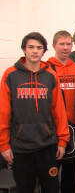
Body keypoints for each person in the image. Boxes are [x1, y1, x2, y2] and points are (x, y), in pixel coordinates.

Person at [0, 32, 69, 193]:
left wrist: (62, 141)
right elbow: (3, 112)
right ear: (24, 49)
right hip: (20, 146)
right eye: (31, 47)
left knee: (51, 189)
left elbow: (59, 111)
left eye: (39, 48)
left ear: (44, 51)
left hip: (47, 145)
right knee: (25, 189)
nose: (35, 51)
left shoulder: (51, 75)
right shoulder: (10, 75)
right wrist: (3, 144)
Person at [47, 30, 75, 193]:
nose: (65, 47)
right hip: (50, 131)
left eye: (68, 44)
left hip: (72, 130)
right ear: (54, 45)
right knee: (50, 174)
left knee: (71, 176)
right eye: (62, 44)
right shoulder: (46, 68)